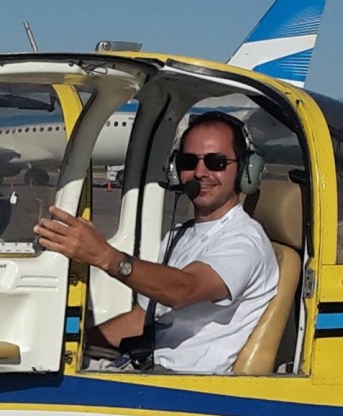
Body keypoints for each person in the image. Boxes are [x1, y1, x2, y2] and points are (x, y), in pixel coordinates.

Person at [33, 112, 279, 373]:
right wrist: (68, 344)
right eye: (188, 161)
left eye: (215, 162)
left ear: (245, 170)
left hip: (187, 384)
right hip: (148, 368)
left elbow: (184, 290)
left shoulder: (245, 241)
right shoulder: (180, 234)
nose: (199, 172)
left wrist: (104, 256)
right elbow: (141, 318)